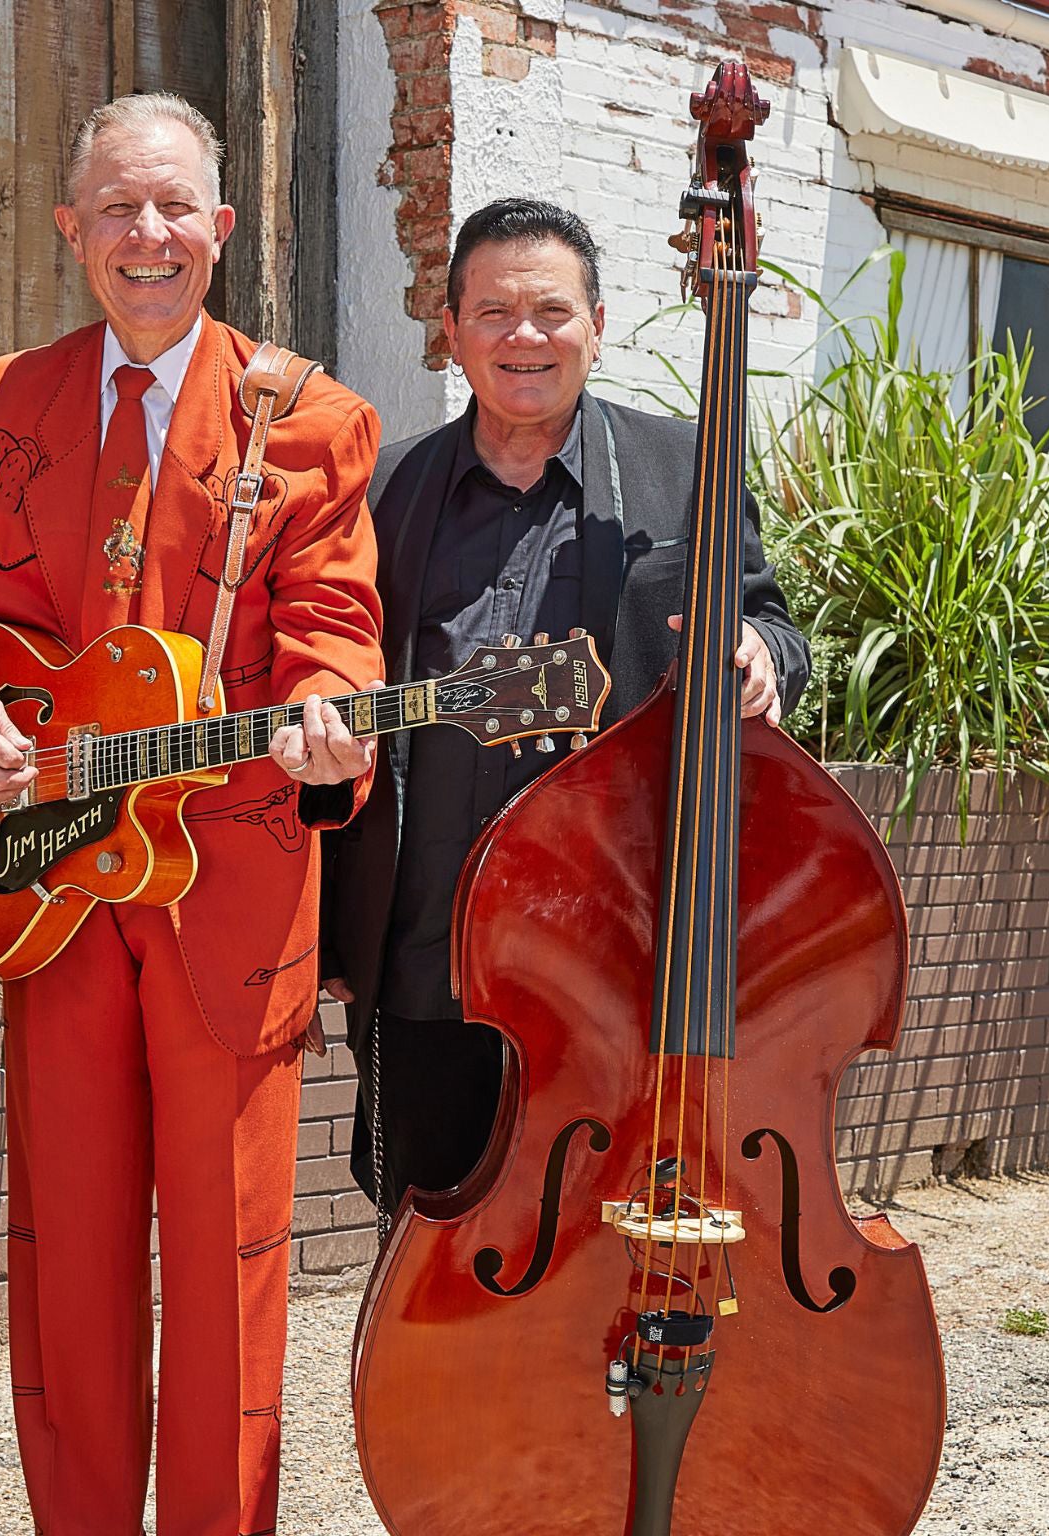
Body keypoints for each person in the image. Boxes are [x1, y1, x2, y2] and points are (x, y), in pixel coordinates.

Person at [0, 93, 382, 1536]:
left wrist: (331, 716)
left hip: (231, 890)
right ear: (72, 229)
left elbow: (335, 624)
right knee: (66, 1261)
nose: (150, 234)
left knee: (227, 1271)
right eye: (118, 208)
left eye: (176, 207)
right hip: (44, 895)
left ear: (221, 227)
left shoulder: (311, 419)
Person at [321, 197, 810, 1216]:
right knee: (425, 1243)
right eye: (493, 311)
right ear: (450, 328)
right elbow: (340, 688)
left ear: (596, 322)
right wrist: (334, 929)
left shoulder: (683, 466)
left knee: (597, 1238)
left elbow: (772, 624)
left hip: (616, 956)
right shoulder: (386, 486)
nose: (524, 336)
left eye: (551, 310)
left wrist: (762, 654)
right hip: (427, 955)